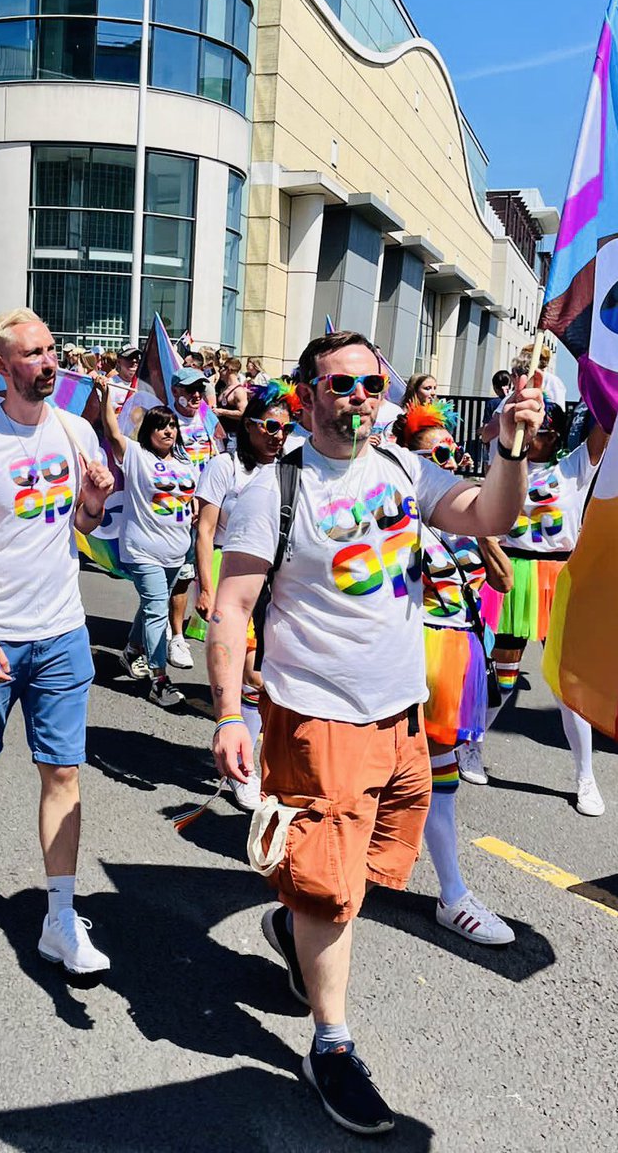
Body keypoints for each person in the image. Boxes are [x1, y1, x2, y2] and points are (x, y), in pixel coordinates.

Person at [207, 330, 542, 1135]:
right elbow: (229, 611)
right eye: (340, 385)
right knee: (331, 887)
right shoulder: (271, 490)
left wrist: (509, 445)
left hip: (400, 717)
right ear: (308, 394)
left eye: (369, 384)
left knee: (373, 869)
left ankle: (290, 923)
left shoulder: (402, 468)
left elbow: (490, 510)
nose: (358, 398)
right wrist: (226, 712)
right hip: (317, 716)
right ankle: (331, 1043)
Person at [0, 307, 114, 974]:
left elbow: (84, 527)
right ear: (3, 367)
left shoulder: (73, 431)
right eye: (33, 354)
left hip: (61, 631)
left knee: (62, 770)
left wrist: (94, 501)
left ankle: (60, 917)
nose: (48, 362)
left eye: (50, 349)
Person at [395, 400, 516, 944]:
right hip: (415, 650)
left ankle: (451, 892)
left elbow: (506, 582)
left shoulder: (461, 515)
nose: (447, 459)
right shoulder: (395, 519)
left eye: (450, 450)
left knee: (439, 781)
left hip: (460, 656)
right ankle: (445, 890)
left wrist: (481, 529)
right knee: (394, 770)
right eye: (433, 453)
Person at [483, 400, 608, 814]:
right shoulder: (506, 462)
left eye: (534, 429)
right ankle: (471, 747)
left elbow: (606, 424)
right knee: (503, 675)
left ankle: (585, 777)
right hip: (512, 574)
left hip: (558, 577)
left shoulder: (574, 467)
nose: (526, 433)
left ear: (552, 436)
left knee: (567, 682)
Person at [195, 379, 301, 807]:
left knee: (266, 678)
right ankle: (247, 768)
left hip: (272, 576)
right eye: (271, 427)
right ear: (249, 425)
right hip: (230, 569)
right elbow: (204, 530)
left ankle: (251, 753)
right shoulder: (225, 466)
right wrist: (206, 586)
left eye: (286, 429)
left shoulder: (289, 468)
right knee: (253, 675)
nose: (279, 436)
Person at [98, 380, 197, 707]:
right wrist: (105, 396)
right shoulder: (136, 455)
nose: (168, 431)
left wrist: (193, 507)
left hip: (176, 551)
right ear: (149, 431)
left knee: (152, 605)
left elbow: (189, 498)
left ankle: (132, 651)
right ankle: (159, 680)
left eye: (172, 426)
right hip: (143, 550)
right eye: (160, 426)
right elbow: (112, 433)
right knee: (157, 610)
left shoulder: (184, 464)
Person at [167, 365, 224, 670]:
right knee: (171, 574)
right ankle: (169, 632)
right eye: (189, 390)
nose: (195, 395)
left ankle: (174, 632)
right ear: (175, 391)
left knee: (187, 572)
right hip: (175, 510)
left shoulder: (207, 418)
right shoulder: (166, 421)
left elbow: (219, 455)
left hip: (205, 508)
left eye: (199, 390)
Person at [213, 358, 248, 446]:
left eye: (222, 368)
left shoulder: (239, 391)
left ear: (228, 369)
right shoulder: (224, 388)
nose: (220, 371)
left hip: (232, 436)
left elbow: (243, 413)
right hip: (221, 434)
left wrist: (222, 412)